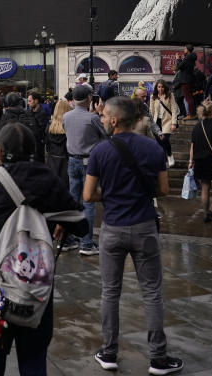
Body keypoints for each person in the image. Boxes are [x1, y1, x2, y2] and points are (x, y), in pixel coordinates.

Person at [0, 122, 87, 376]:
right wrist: (55, 219)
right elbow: (81, 224)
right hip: (33, 289)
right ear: (33, 150)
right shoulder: (47, 178)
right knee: (33, 360)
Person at [83, 97, 183, 375]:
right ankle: (158, 357)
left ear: (114, 120)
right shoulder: (153, 147)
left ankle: (109, 352)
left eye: (103, 116)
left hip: (113, 228)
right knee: (152, 292)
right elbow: (163, 190)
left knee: (110, 292)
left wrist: (112, 194)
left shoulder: (100, 151)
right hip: (144, 227)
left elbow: (88, 195)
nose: (101, 119)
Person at [62, 85, 105, 256]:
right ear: (88, 99)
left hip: (72, 159)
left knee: (73, 200)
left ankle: (68, 239)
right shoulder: (92, 118)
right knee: (88, 201)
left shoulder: (66, 116)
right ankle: (86, 243)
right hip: (89, 162)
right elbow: (106, 135)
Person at [150, 79, 179, 168]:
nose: (160, 89)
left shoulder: (170, 95)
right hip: (157, 121)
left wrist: (174, 123)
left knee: (164, 139)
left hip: (167, 120)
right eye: (159, 87)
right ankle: (164, 160)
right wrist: (151, 123)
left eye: (162, 87)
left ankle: (169, 155)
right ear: (156, 87)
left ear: (165, 87)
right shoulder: (153, 97)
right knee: (159, 142)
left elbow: (174, 109)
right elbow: (151, 111)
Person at [45, 99, 72, 180]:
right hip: (66, 162)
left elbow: (47, 146)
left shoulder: (49, 128)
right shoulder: (69, 128)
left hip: (52, 161)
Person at [174, 45, 198, 118]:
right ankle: (193, 114)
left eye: (185, 48)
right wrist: (181, 60)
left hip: (185, 80)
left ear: (188, 49)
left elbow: (179, 67)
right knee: (190, 97)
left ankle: (191, 114)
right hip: (189, 80)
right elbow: (183, 66)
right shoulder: (190, 57)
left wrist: (178, 59)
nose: (184, 50)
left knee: (188, 98)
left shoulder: (188, 57)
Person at [27, 92, 50, 162]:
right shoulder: (28, 112)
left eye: (30, 101)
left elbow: (42, 132)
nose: (28, 103)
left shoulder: (42, 113)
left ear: (36, 101)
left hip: (38, 147)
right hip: (29, 146)